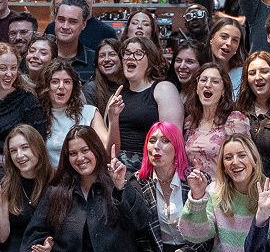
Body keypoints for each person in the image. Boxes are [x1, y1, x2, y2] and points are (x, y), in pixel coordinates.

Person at [22, 126, 155, 252]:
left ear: (96, 150)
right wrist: (45, 247)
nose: (80, 158)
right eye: (73, 153)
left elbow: (141, 222)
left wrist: (120, 187)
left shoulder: (121, 180)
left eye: (85, 150)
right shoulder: (57, 190)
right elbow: (36, 233)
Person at [137, 122, 211, 252]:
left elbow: (207, 234)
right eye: (152, 141)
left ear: (177, 147)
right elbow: (141, 233)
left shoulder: (196, 180)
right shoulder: (141, 183)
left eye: (165, 141)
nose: (157, 146)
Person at [118, 36, 185, 174]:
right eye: (127, 53)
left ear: (150, 59)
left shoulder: (163, 89)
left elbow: (172, 141)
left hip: (149, 170)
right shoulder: (118, 94)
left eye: (138, 54)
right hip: (118, 171)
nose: (131, 57)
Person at [39, 59, 116, 171]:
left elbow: (109, 149)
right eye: (55, 82)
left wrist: (113, 118)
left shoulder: (89, 112)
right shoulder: (38, 116)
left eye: (67, 82)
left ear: (73, 86)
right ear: (46, 86)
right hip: (52, 178)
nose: (61, 86)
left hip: (86, 176)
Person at [182, 64, 250, 178]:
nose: (208, 85)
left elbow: (245, 162)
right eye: (203, 80)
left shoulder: (235, 120)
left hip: (223, 187)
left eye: (215, 81)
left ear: (223, 90)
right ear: (197, 88)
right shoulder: (189, 121)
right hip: (192, 187)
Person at [49, 0, 97, 82]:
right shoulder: (39, 56)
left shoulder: (94, 60)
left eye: (72, 22)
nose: (65, 26)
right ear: (55, 20)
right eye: (61, 20)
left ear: (83, 25)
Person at [86, 38, 126, 114]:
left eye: (112, 55)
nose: (106, 59)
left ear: (122, 58)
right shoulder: (91, 88)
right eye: (102, 56)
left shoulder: (132, 84)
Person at [207, 19, 246, 95]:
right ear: (211, 38)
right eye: (224, 37)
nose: (229, 43)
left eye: (235, 40)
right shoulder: (197, 68)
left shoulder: (244, 75)